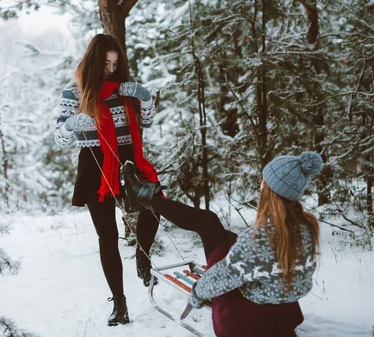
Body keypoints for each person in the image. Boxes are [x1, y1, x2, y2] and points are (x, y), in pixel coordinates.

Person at [123, 151, 322, 337]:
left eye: (264, 181)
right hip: (280, 311)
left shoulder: (262, 238)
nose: (261, 184)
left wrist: (197, 294)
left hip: (245, 318)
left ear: (271, 191)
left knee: (207, 222)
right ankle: (146, 197)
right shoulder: (305, 227)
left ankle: (145, 197)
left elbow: (220, 278)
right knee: (220, 231)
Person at [54, 33, 161, 326]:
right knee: (108, 236)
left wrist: (145, 96)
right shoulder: (74, 93)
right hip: (95, 164)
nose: (111, 70)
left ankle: (143, 253)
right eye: (106, 63)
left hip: (128, 159)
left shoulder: (125, 89)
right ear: (92, 62)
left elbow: (147, 122)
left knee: (155, 208)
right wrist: (73, 123)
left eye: (116, 63)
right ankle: (120, 303)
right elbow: (59, 136)